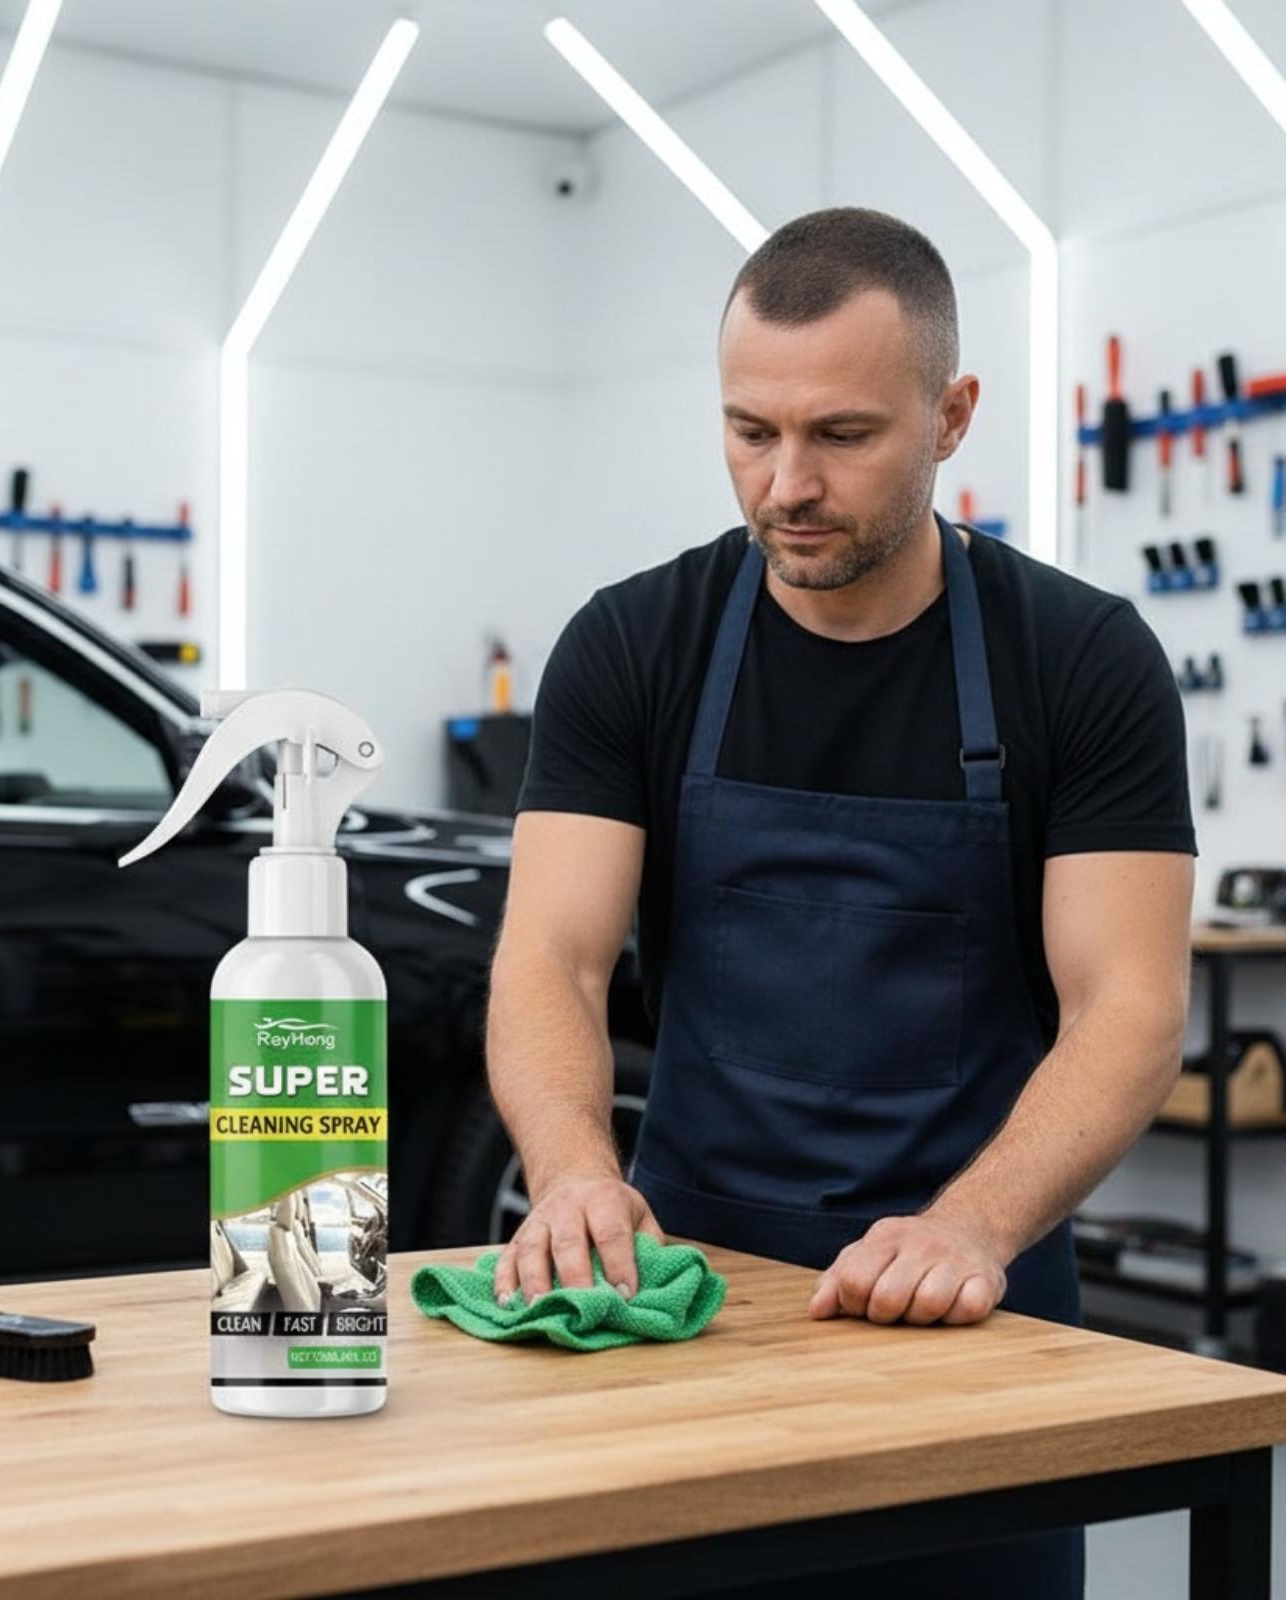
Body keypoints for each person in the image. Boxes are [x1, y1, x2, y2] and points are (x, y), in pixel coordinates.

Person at [485, 207, 1195, 1598]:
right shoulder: (633, 645)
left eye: (843, 435)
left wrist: (972, 1229)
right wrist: (572, 1173)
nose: (787, 484)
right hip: (687, 1303)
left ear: (952, 416)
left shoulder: (1083, 660)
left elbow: (1129, 1007)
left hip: (974, 1314)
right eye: (750, 431)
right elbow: (553, 961)